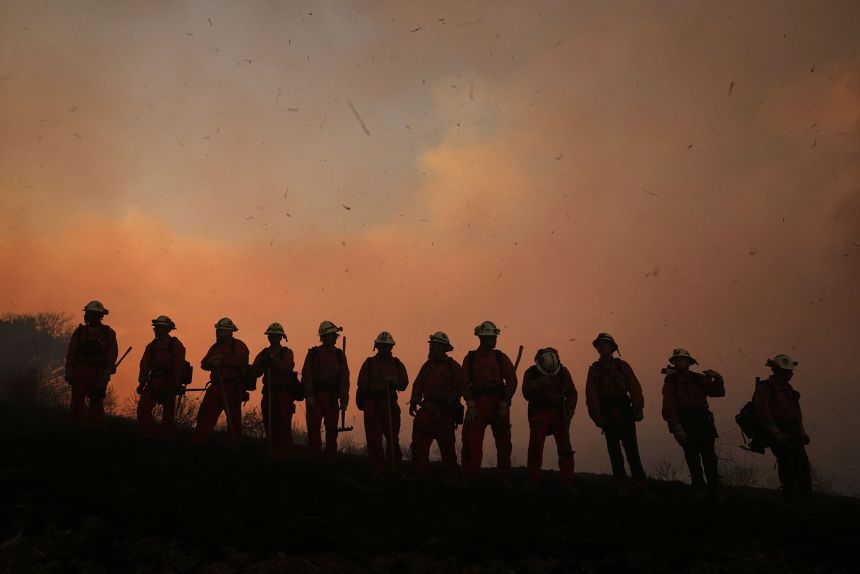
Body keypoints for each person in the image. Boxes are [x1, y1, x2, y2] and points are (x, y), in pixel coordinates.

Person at [585, 332, 648, 495]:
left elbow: (634, 387)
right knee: (614, 451)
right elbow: (591, 394)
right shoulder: (594, 370)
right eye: (600, 344)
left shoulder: (622, 366)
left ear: (612, 347)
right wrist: (596, 416)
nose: (602, 346)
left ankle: (640, 484)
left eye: (605, 344)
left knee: (632, 450)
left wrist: (638, 408)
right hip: (607, 414)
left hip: (625, 411)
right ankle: (622, 486)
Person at [660, 348, 725, 498]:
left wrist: (718, 378)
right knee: (692, 459)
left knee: (710, 458)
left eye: (681, 360)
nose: (678, 363)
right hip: (685, 424)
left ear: (689, 363)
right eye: (676, 361)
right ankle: (699, 491)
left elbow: (718, 392)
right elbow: (669, 407)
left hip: (703, 422)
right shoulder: (671, 383)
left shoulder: (699, 379)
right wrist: (677, 428)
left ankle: (715, 490)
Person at [460, 320, 518, 483]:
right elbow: (464, 382)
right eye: (491, 337)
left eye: (494, 337)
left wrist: (505, 401)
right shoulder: (471, 358)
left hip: (498, 404)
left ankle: (504, 478)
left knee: (504, 442)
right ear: (482, 339)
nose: (494, 340)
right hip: (477, 405)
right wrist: (470, 402)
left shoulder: (500, 357)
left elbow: (512, 380)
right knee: (472, 441)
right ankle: (471, 477)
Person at [754, 354, 812, 502]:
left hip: (792, 431)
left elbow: (796, 412)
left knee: (802, 464)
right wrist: (776, 432)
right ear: (779, 371)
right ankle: (792, 498)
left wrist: (802, 431)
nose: (792, 373)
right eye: (788, 371)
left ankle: (805, 497)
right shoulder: (765, 387)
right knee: (787, 464)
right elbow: (763, 412)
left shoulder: (787, 388)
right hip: (778, 430)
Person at [409, 332, 463, 479]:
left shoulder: (453, 367)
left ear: (444, 348)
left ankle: (452, 477)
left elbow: (461, 386)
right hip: (426, 410)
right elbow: (418, 384)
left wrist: (450, 401)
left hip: (445, 412)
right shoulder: (427, 366)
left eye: (435, 346)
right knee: (419, 446)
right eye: (431, 346)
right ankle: (420, 476)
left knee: (447, 447)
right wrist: (414, 400)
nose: (431, 349)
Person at [522, 347, 578, 490]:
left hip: (560, 412)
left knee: (565, 447)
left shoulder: (563, 372)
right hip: (539, 411)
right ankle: (533, 479)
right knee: (536, 445)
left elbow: (572, 393)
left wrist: (570, 411)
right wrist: (537, 384)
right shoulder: (531, 373)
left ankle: (568, 480)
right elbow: (526, 393)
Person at [191, 318, 249, 446]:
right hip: (216, 386)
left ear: (229, 331)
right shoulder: (215, 346)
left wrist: (223, 360)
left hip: (233, 386)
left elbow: (241, 361)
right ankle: (198, 441)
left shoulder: (238, 345)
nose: (217, 332)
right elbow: (204, 363)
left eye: (221, 330)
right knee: (205, 414)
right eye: (218, 330)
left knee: (233, 418)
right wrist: (212, 362)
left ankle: (233, 444)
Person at [356, 331, 409, 473]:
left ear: (391, 347)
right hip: (372, 405)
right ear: (377, 346)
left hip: (390, 404)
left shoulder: (397, 364)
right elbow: (361, 383)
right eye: (382, 346)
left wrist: (393, 381)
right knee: (374, 439)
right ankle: (377, 469)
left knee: (393, 438)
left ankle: (394, 467)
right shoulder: (369, 363)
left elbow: (404, 383)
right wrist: (378, 385)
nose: (385, 349)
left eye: (387, 346)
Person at [251, 322, 301, 459]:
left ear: (281, 337)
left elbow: (286, 368)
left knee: (283, 423)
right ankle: (272, 452)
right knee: (269, 422)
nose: (273, 338)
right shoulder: (263, 353)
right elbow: (254, 373)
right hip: (268, 392)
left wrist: (273, 360)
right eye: (271, 335)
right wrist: (263, 363)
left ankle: (286, 454)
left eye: (276, 335)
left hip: (284, 393)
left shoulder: (287, 352)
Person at [301, 321, 350, 461]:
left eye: (331, 335)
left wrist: (344, 399)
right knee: (314, 429)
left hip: (332, 397)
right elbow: (307, 375)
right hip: (316, 397)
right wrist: (309, 395)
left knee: (332, 430)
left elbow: (344, 379)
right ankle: (314, 458)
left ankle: (331, 459)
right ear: (322, 337)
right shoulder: (313, 354)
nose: (329, 338)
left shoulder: (340, 355)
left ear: (335, 336)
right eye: (326, 335)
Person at [65, 300, 118, 426]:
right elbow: (71, 353)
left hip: (98, 371)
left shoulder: (108, 333)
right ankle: (76, 426)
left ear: (97, 315)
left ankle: (96, 427)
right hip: (80, 369)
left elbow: (112, 354)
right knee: (77, 399)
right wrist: (69, 370)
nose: (86, 316)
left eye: (89, 313)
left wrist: (107, 371)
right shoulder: (79, 332)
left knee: (96, 400)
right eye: (86, 313)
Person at [137, 315, 187, 440]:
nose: (156, 330)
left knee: (168, 415)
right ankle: (149, 435)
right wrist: (142, 381)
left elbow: (179, 365)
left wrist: (176, 384)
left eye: (160, 327)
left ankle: (166, 439)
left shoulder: (175, 345)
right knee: (143, 409)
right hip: (153, 382)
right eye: (156, 327)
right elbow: (144, 365)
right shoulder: (151, 346)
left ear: (167, 329)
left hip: (168, 382)